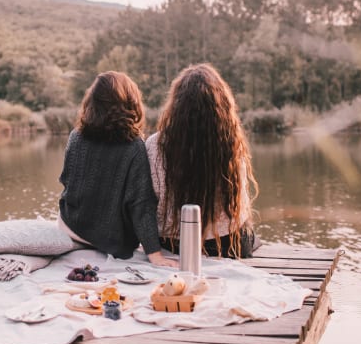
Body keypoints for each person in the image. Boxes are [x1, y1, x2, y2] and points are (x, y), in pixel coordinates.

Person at [58, 71, 177, 267]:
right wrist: (155, 255)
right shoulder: (134, 147)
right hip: (112, 241)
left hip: (71, 227)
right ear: (131, 104)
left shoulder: (75, 136)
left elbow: (65, 181)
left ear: (92, 102)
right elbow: (141, 206)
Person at [145, 63, 259, 258]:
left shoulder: (155, 143)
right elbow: (240, 206)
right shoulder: (231, 143)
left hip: (173, 244)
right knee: (252, 236)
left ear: (175, 106)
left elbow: (151, 200)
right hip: (226, 245)